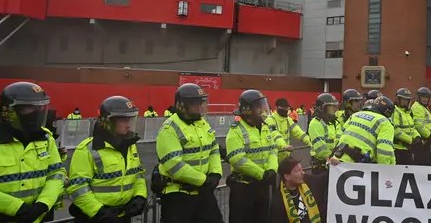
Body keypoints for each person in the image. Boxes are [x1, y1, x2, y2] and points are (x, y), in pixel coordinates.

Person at [0, 82, 65, 223]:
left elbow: (57, 174)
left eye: (39, 107)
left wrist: (42, 205)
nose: (36, 112)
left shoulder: (45, 138)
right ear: (8, 111)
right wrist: (18, 208)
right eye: (29, 108)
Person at [67, 96, 146, 223]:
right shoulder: (87, 149)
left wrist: (140, 196)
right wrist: (99, 213)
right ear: (107, 122)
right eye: (123, 120)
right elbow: (77, 187)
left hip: (122, 217)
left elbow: (138, 175)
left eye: (129, 119)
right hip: (95, 218)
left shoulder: (130, 146)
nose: (128, 125)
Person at [156, 84, 224, 223]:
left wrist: (215, 173)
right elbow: (174, 165)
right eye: (195, 104)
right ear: (182, 105)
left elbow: (214, 149)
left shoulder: (202, 124)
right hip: (179, 195)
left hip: (203, 192)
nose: (200, 107)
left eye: (201, 103)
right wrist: (204, 180)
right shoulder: (170, 129)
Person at [226, 89, 277, 223]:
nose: (263, 110)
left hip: (262, 187)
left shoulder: (265, 127)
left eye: (263, 105)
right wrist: (262, 174)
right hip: (243, 188)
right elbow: (237, 159)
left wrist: (272, 170)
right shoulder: (236, 130)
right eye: (259, 107)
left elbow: (273, 150)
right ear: (248, 110)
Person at [332, 96, 395, 165]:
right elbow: (384, 151)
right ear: (387, 112)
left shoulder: (355, 115)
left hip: (337, 161)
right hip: (358, 164)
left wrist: (334, 155)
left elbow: (338, 136)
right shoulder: (385, 122)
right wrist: (387, 170)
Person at [269, 157, 327, 223]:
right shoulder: (278, 201)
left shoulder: (307, 180)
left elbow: (324, 179)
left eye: (302, 169)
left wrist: (334, 163)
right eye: (298, 170)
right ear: (287, 176)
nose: (303, 173)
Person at [308, 93, 341, 173]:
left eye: (335, 106)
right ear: (322, 107)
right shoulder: (315, 123)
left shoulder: (334, 122)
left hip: (333, 163)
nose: (334, 108)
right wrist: (335, 158)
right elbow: (321, 150)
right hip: (321, 167)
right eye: (331, 106)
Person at [392, 88, 419, 165]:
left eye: (407, 100)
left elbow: (412, 128)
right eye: (403, 99)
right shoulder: (395, 111)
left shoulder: (408, 113)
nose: (405, 102)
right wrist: (410, 140)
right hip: (398, 149)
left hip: (407, 149)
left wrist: (417, 136)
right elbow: (395, 130)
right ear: (398, 99)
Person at [410, 87, 431, 166]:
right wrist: (428, 135)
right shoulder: (417, 107)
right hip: (422, 141)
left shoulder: (423, 107)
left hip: (426, 141)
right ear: (418, 97)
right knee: (423, 165)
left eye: (427, 97)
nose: (425, 99)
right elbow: (418, 125)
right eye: (423, 97)